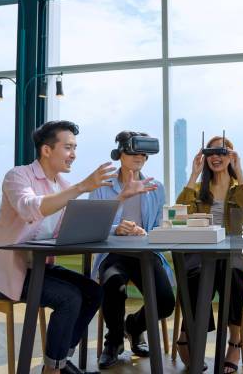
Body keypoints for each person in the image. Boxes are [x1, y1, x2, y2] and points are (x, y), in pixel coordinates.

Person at [0, 121, 157, 374]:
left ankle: (59, 361)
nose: (73, 154)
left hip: (39, 268)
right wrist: (82, 187)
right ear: (46, 150)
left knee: (93, 293)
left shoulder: (62, 186)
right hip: (7, 273)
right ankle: (54, 369)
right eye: (68, 147)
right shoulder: (18, 176)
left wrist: (120, 199)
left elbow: (79, 227)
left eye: (75, 147)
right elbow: (31, 207)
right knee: (70, 298)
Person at [89, 131, 175, 369]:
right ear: (120, 153)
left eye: (143, 152)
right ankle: (113, 342)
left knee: (166, 302)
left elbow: (158, 225)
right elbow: (91, 224)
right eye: (133, 151)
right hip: (112, 253)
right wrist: (117, 228)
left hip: (145, 253)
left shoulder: (156, 187)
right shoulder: (102, 186)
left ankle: (134, 327)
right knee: (113, 284)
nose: (139, 156)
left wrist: (148, 233)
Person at [176, 135, 243, 373]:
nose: (215, 157)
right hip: (201, 250)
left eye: (222, 153)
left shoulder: (237, 188)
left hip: (231, 251)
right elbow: (180, 213)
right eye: (210, 153)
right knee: (196, 273)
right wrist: (193, 175)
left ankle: (234, 341)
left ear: (230, 157)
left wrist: (240, 172)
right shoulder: (200, 188)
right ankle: (188, 335)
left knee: (231, 272)